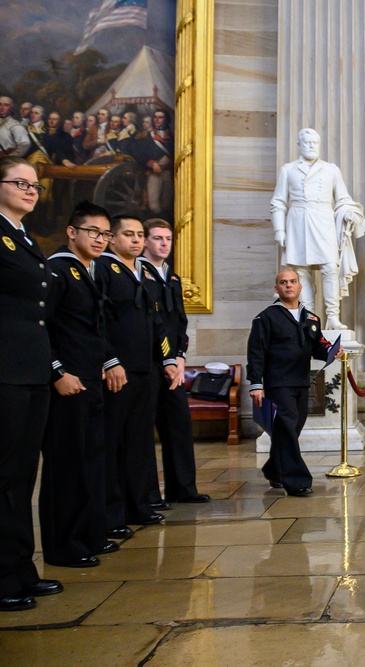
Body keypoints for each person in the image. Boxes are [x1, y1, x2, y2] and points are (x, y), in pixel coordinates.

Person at [40, 201, 122, 568]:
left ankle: (90, 534)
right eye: (93, 231)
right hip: (68, 382)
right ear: (72, 232)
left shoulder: (88, 271)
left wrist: (107, 361)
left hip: (90, 379)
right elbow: (41, 327)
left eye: (106, 233)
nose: (101, 239)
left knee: (91, 459)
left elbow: (93, 328)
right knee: (67, 465)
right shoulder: (57, 270)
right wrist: (56, 371)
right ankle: (64, 546)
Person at [0, 157, 63, 611]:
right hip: (4, 370)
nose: (30, 190)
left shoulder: (24, 239)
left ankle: (21, 568)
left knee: (22, 476)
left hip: (30, 371)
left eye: (35, 186)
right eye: (19, 183)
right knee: (3, 476)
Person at [95, 215, 181, 530]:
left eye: (139, 234)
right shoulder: (102, 269)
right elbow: (98, 320)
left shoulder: (142, 271)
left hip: (146, 370)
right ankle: (112, 515)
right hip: (119, 370)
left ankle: (138, 506)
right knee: (114, 443)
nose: (135, 240)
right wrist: (108, 360)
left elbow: (156, 322)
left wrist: (168, 359)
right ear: (112, 238)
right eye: (127, 234)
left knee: (140, 441)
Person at [247, 270, 341, 497]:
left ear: (300, 287)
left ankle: (274, 470)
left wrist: (331, 350)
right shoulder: (266, 318)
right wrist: (256, 384)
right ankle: (297, 480)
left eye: (292, 282)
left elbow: (318, 346)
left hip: (301, 381)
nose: (288, 286)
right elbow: (256, 352)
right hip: (278, 382)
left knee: (291, 428)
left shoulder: (311, 319)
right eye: (283, 283)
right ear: (276, 289)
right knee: (287, 427)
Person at [139, 218, 210, 504]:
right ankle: (150, 496)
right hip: (150, 362)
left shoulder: (172, 277)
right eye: (157, 238)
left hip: (173, 366)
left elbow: (180, 322)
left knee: (179, 426)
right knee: (144, 430)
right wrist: (167, 359)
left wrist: (180, 358)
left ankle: (183, 489)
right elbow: (150, 323)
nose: (164, 243)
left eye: (168, 238)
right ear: (145, 241)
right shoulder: (139, 273)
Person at [271, 128, 365, 329]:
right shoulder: (288, 169)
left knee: (330, 268)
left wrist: (348, 212)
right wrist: (279, 230)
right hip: (298, 223)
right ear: (299, 145)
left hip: (323, 222)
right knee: (301, 271)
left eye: (315, 143)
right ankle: (309, 317)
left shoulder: (331, 169)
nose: (312, 146)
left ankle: (332, 316)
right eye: (307, 143)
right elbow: (278, 202)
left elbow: (342, 198)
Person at [144, 109, 173, 215]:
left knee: (167, 203)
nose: (157, 120)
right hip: (154, 172)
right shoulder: (147, 136)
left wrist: (165, 166)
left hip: (168, 172)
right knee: (154, 204)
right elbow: (142, 154)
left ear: (166, 120)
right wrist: (152, 164)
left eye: (160, 117)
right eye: (155, 117)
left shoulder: (173, 136)